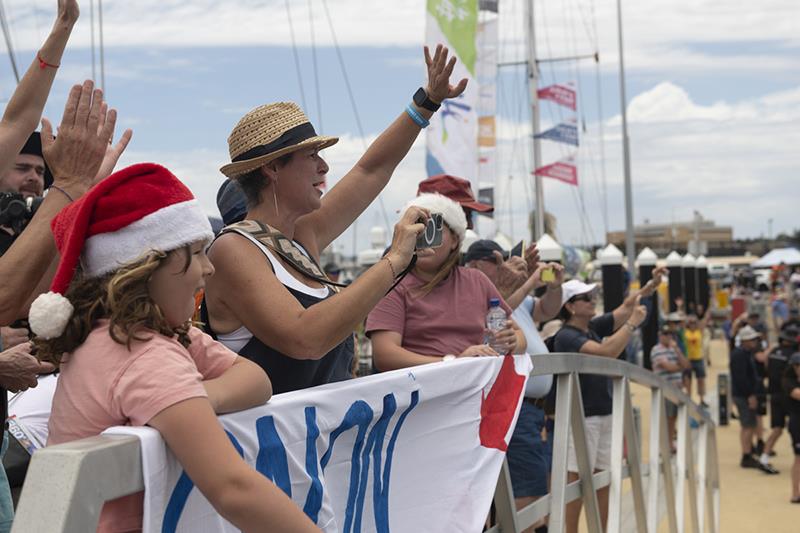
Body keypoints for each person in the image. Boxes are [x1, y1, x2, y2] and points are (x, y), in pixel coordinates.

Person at [31, 163, 319, 533]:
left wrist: (192, 399)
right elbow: (233, 489)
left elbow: (257, 378)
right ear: (146, 267)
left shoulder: (135, 333)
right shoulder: (144, 354)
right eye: (197, 252)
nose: (209, 268)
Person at [204, 45, 466, 393]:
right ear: (271, 168)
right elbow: (305, 338)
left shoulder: (300, 234)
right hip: (270, 446)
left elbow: (372, 169)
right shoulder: (233, 249)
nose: (324, 167)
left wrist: (427, 102)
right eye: (312, 155)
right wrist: (394, 261)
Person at [464, 239, 562, 533]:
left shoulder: (515, 300)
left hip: (531, 411)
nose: (507, 265)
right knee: (525, 496)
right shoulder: (482, 297)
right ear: (477, 265)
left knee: (531, 490)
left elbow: (547, 310)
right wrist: (530, 279)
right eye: (500, 261)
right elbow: (498, 309)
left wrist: (553, 285)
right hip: (512, 408)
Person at [366, 194, 525, 372]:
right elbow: (385, 356)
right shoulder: (393, 284)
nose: (425, 237)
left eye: (434, 228)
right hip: (420, 393)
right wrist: (453, 362)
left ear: (455, 240)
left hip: (474, 390)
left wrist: (511, 342)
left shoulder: (477, 280)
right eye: (417, 228)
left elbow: (520, 338)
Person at [552, 278, 652, 533]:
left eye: (593, 295)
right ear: (570, 306)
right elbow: (607, 351)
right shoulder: (566, 336)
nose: (592, 299)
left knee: (603, 480)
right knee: (575, 481)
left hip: (603, 413)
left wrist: (644, 291)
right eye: (586, 297)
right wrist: (632, 325)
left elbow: (623, 309)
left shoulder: (590, 327)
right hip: (582, 416)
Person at [730, 325, 777, 473]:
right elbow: (741, 378)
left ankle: (748, 452)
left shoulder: (744, 353)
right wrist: (750, 395)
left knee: (748, 425)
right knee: (748, 425)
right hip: (743, 395)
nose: (754, 342)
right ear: (745, 340)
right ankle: (746, 454)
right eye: (751, 339)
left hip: (744, 394)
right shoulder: (739, 355)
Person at [758, 327, 799, 466]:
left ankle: (764, 456)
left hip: (774, 394)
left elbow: (766, 367)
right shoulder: (794, 356)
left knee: (777, 428)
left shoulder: (773, 352)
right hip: (789, 396)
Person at [651, 326, 690, 446]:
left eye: (670, 334)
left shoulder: (674, 350)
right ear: (660, 336)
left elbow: (687, 365)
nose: (668, 337)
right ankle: (666, 445)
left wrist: (677, 351)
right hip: (665, 389)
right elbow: (669, 367)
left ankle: (669, 443)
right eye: (665, 334)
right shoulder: (656, 350)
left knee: (673, 417)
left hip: (676, 389)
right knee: (667, 417)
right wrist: (680, 366)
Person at [683, 311, 711, 407]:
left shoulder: (699, 331)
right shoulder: (685, 332)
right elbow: (682, 321)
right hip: (689, 359)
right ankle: (689, 399)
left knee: (701, 380)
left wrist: (708, 309)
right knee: (688, 380)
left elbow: (705, 320)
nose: (693, 324)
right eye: (691, 323)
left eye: (694, 322)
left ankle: (702, 399)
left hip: (698, 358)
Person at [783, 352, 800, 503]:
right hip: (797, 423)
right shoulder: (788, 381)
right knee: (799, 458)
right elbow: (797, 394)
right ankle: (795, 493)